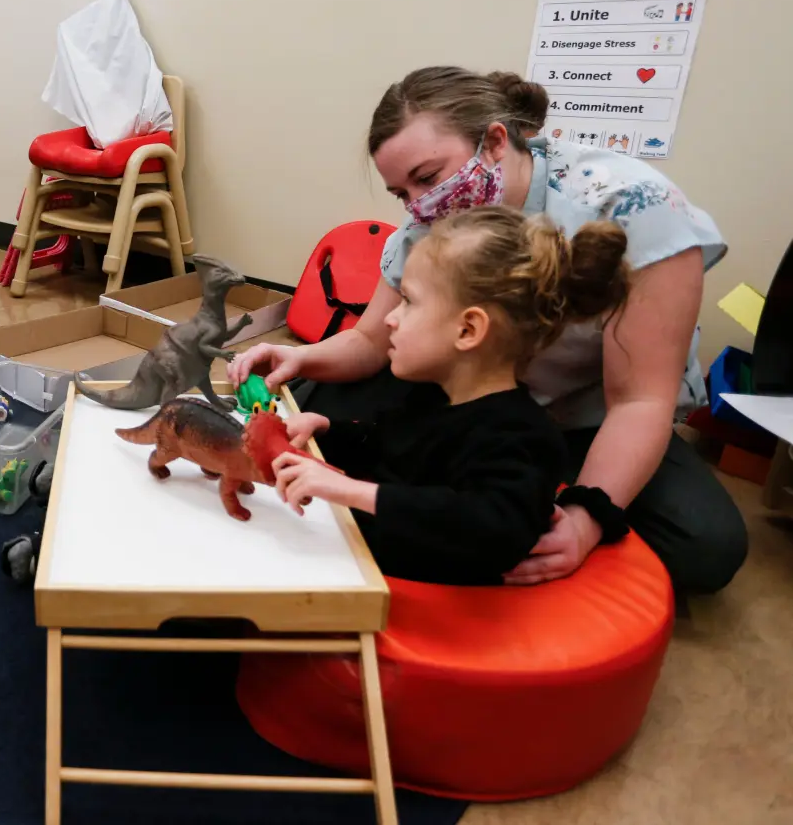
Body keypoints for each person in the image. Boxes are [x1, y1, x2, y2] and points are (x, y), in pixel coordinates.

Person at [230, 66, 746, 595]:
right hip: (468, 395)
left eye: (428, 177)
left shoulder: (633, 210)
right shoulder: (427, 224)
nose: (419, 206)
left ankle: (526, 480)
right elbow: (369, 341)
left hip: (590, 415)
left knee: (703, 546)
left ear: (496, 141)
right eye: (401, 193)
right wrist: (301, 357)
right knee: (315, 415)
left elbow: (639, 401)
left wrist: (585, 517)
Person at [272, 207, 631, 585]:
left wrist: (351, 491)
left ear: (468, 329)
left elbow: (484, 525)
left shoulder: (522, 436)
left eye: (408, 302)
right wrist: (327, 430)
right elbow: (386, 446)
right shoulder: (432, 397)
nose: (391, 318)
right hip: (366, 552)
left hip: (418, 591)